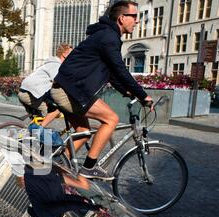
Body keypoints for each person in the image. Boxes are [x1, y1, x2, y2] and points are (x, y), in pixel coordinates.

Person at [51, 1, 153, 181]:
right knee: (111, 119)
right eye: (134, 16)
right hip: (70, 91)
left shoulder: (106, 36)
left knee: (83, 130)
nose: (137, 21)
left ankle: (56, 166)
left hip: (66, 89)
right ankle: (89, 167)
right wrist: (143, 95)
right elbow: (120, 69)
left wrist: (126, 92)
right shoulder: (109, 37)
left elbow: (112, 74)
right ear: (122, 18)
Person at [24, 163, 102, 217]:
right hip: (43, 175)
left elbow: (67, 206)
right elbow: (63, 199)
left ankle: (90, 162)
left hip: (40, 174)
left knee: (84, 185)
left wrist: (94, 208)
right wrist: (83, 200)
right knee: (66, 160)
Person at [19, 43, 73, 127]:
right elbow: (60, 82)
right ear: (64, 54)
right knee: (54, 111)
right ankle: (40, 132)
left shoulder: (52, 64)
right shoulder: (56, 65)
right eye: (71, 53)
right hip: (29, 94)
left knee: (41, 118)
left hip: (27, 92)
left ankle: (28, 133)